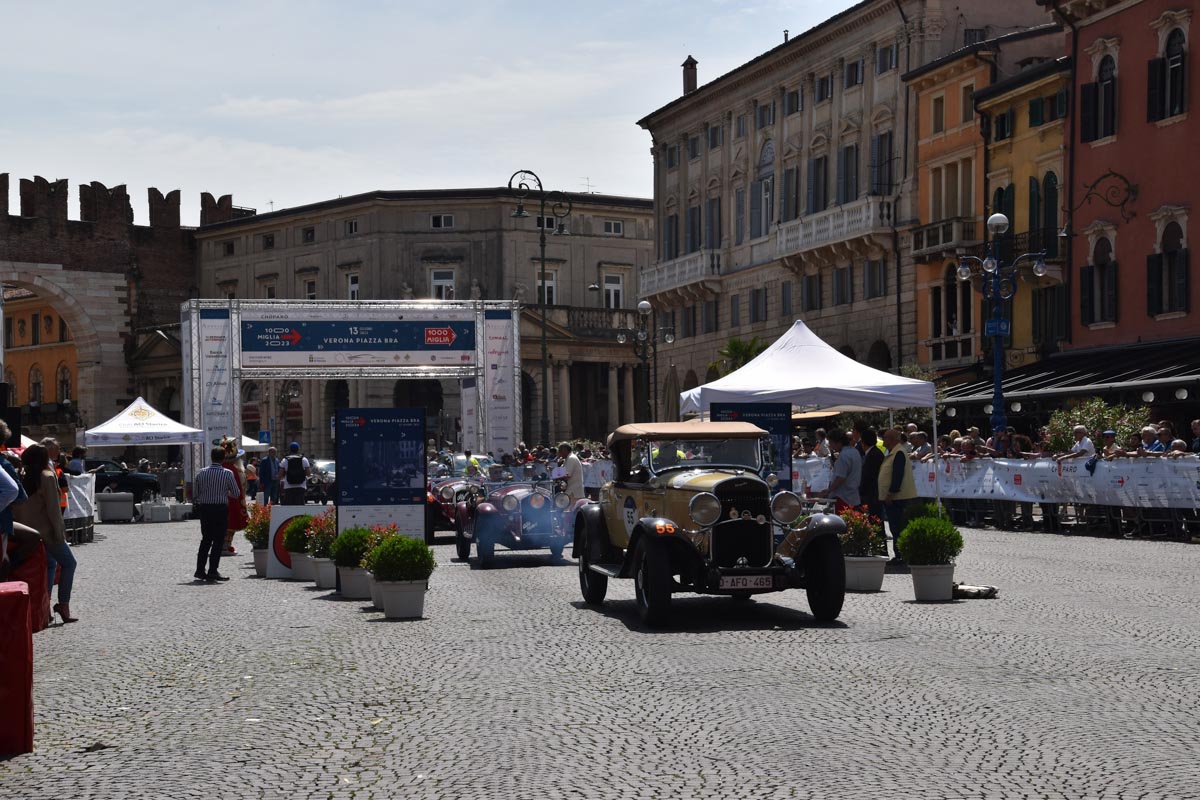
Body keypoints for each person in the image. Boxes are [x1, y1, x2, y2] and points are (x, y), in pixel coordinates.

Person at [14, 443, 78, 622]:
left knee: (49, 566)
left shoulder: (21, 476)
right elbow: (53, 510)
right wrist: (60, 533)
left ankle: (45, 607)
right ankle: (63, 604)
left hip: (27, 532)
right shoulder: (47, 477)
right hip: (47, 532)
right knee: (69, 564)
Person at [192, 446, 241, 583]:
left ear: (211, 457)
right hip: (220, 509)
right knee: (218, 541)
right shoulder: (227, 473)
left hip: (205, 509)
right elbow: (236, 494)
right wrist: (225, 493)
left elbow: (196, 494)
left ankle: (200, 570)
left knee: (206, 539)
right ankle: (213, 570)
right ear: (223, 458)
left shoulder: (201, 473)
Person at [878, 428, 918, 562]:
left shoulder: (899, 453)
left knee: (897, 527)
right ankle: (899, 554)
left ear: (892, 440)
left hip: (897, 497)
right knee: (895, 527)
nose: (883, 440)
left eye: (885, 437)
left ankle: (900, 555)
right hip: (894, 497)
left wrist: (890, 493)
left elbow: (897, 475)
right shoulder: (893, 452)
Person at [821, 430, 861, 513]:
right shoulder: (855, 452)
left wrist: (828, 491)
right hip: (854, 495)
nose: (830, 446)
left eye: (831, 442)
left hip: (843, 497)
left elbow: (840, 478)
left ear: (838, 442)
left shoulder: (844, 456)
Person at [221, 439, 248, 555]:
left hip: (216, 502)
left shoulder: (216, 468)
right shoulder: (238, 471)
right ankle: (226, 546)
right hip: (232, 502)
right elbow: (242, 488)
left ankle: (220, 545)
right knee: (230, 525)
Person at [859, 427, 884, 521]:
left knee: (875, 516)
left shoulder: (874, 454)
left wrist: (861, 489)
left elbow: (868, 475)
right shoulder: (873, 453)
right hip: (872, 492)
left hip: (873, 492)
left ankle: (879, 535)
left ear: (863, 442)